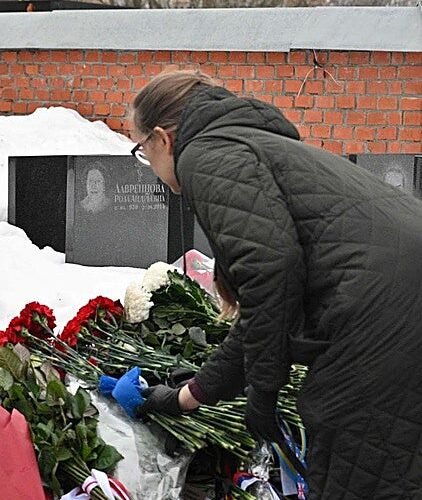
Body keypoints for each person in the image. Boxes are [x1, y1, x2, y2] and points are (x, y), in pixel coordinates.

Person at [125, 70, 422, 498]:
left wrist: (264, 390)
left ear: (161, 138)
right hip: (397, 309)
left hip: (380, 318)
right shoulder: (249, 145)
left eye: (141, 150)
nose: (148, 165)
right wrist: (188, 396)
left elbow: (269, 271)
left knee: (357, 473)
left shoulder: (205, 154)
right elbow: (267, 305)